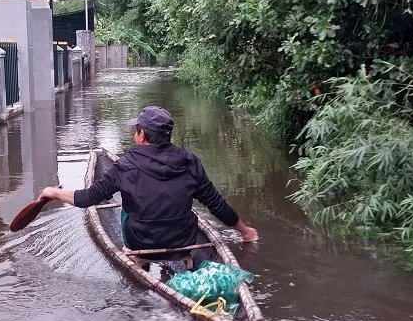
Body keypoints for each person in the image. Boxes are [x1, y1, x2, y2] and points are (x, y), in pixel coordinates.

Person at [38, 106, 259, 252]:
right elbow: (216, 204)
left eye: (136, 130)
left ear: (142, 135)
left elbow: (88, 198)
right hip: (184, 240)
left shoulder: (125, 165)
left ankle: (136, 259)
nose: (134, 134)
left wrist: (53, 192)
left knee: (125, 203)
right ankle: (168, 267)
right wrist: (244, 230)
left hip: (139, 241)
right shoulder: (190, 162)